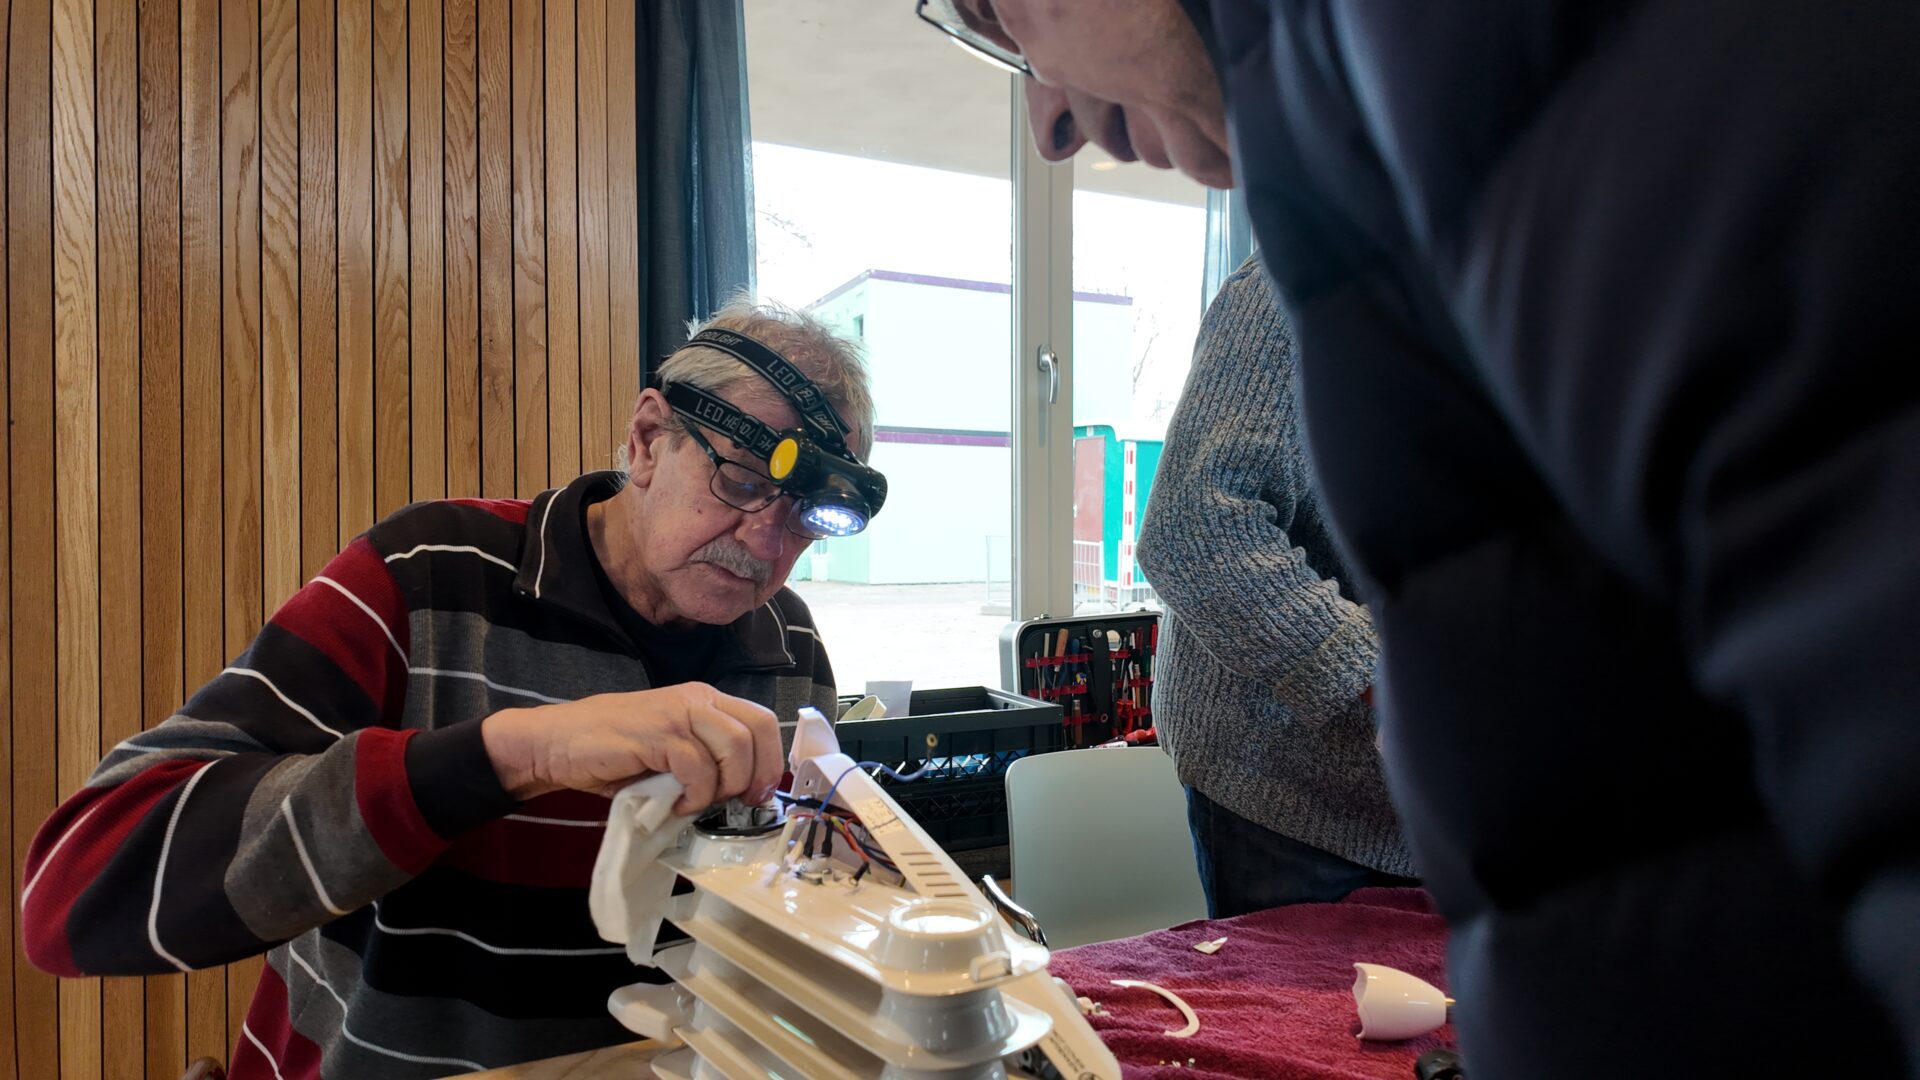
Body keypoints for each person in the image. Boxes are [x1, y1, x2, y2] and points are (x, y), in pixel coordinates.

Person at [916, 3, 1920, 1077]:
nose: (1048, 125)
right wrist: (1381, 685)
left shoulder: (1444, 157)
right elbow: (1198, 531)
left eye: (999, 13)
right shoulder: (1326, 238)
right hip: (1290, 786)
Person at [21, 299, 880, 1078]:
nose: (768, 544)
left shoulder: (787, 645)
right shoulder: (428, 576)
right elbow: (76, 885)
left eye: (809, 515)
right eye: (740, 480)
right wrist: (514, 753)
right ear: (648, 440)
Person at [1135, 250, 1415, 916]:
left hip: (1455, 807)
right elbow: (1196, 530)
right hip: (1290, 797)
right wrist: (1395, 679)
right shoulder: (1301, 280)